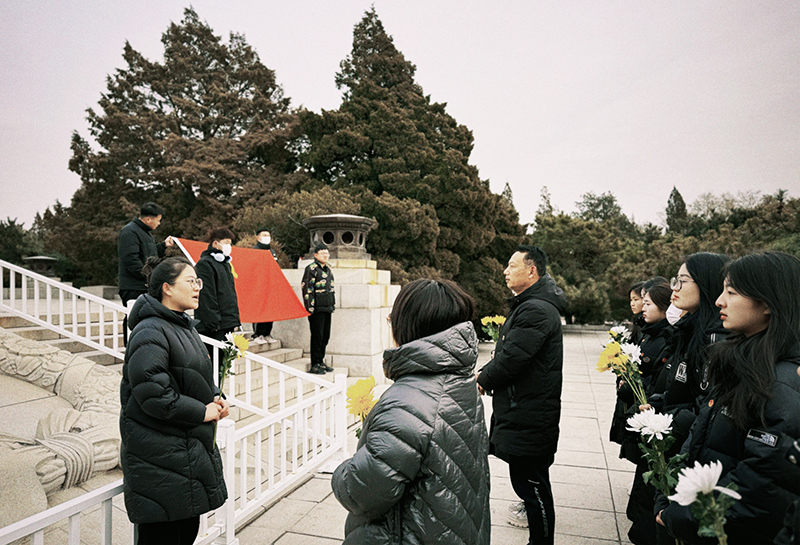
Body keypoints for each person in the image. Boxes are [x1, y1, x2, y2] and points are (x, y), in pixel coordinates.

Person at [332, 279, 491, 544]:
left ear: (409, 326)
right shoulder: (459, 380)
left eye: (392, 319)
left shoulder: (406, 403)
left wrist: (344, 468)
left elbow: (358, 493)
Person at [657, 252, 800, 544]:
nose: (719, 301)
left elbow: (760, 487)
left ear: (768, 303)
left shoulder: (779, 382)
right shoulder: (743, 364)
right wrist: (670, 493)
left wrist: (681, 517)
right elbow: (699, 437)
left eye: (732, 292)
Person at [120, 256, 229, 545]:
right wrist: (202, 412)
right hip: (161, 460)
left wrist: (216, 397)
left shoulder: (184, 327)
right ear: (167, 288)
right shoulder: (150, 331)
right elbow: (153, 394)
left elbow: (191, 376)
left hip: (184, 457)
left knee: (185, 535)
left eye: (198, 281)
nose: (197, 288)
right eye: (191, 281)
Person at [476, 245, 566, 545]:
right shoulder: (529, 304)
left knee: (533, 489)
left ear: (531, 271)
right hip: (525, 411)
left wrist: (481, 380)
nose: (505, 271)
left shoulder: (535, 309)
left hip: (530, 415)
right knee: (530, 485)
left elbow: (513, 358)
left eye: (512, 265)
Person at [623, 278, 674, 545]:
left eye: (647, 303)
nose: (642, 307)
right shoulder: (650, 332)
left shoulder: (668, 337)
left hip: (659, 423)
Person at [117, 202, 173, 344]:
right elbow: (131, 262)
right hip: (133, 286)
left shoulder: (146, 233)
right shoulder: (129, 231)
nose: (159, 224)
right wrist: (151, 276)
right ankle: (130, 349)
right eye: (158, 220)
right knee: (133, 319)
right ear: (148, 219)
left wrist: (163, 246)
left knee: (146, 320)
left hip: (145, 285)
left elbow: (149, 255)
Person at [195, 228, 241, 354]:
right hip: (215, 327)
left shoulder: (225, 264)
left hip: (227, 323)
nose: (229, 246)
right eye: (226, 243)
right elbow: (207, 296)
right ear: (215, 243)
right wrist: (213, 324)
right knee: (215, 361)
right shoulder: (205, 264)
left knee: (224, 362)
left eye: (230, 243)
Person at [301, 243, 335, 374]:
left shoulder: (328, 269)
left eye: (327, 253)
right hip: (316, 308)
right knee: (317, 336)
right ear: (315, 255)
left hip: (327, 307)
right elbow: (307, 288)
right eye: (322, 253)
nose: (326, 255)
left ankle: (321, 361)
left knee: (325, 336)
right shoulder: (311, 269)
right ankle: (315, 363)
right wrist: (310, 307)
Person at [251, 228, 278, 344]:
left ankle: (267, 333)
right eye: (264, 235)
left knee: (270, 310)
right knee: (259, 310)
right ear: (258, 237)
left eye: (268, 235)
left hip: (270, 286)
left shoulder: (272, 251)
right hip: (259, 286)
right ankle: (258, 334)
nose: (267, 237)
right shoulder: (254, 251)